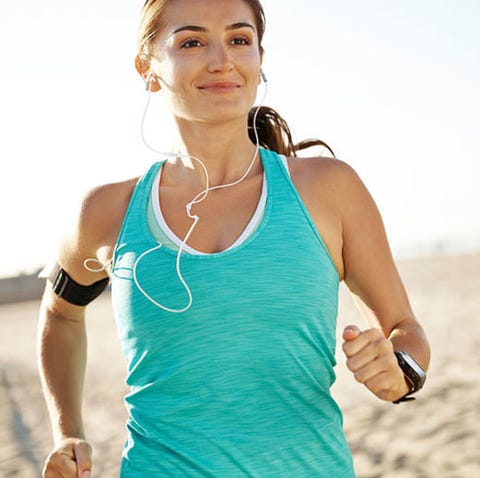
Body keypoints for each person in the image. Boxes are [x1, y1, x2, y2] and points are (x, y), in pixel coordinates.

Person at [37, 0, 431, 476]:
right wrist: (68, 431)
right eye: (192, 42)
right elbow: (60, 314)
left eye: (239, 39)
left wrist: (400, 372)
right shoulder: (105, 212)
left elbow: (404, 329)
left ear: (259, 58)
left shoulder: (329, 190)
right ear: (147, 66)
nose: (221, 60)